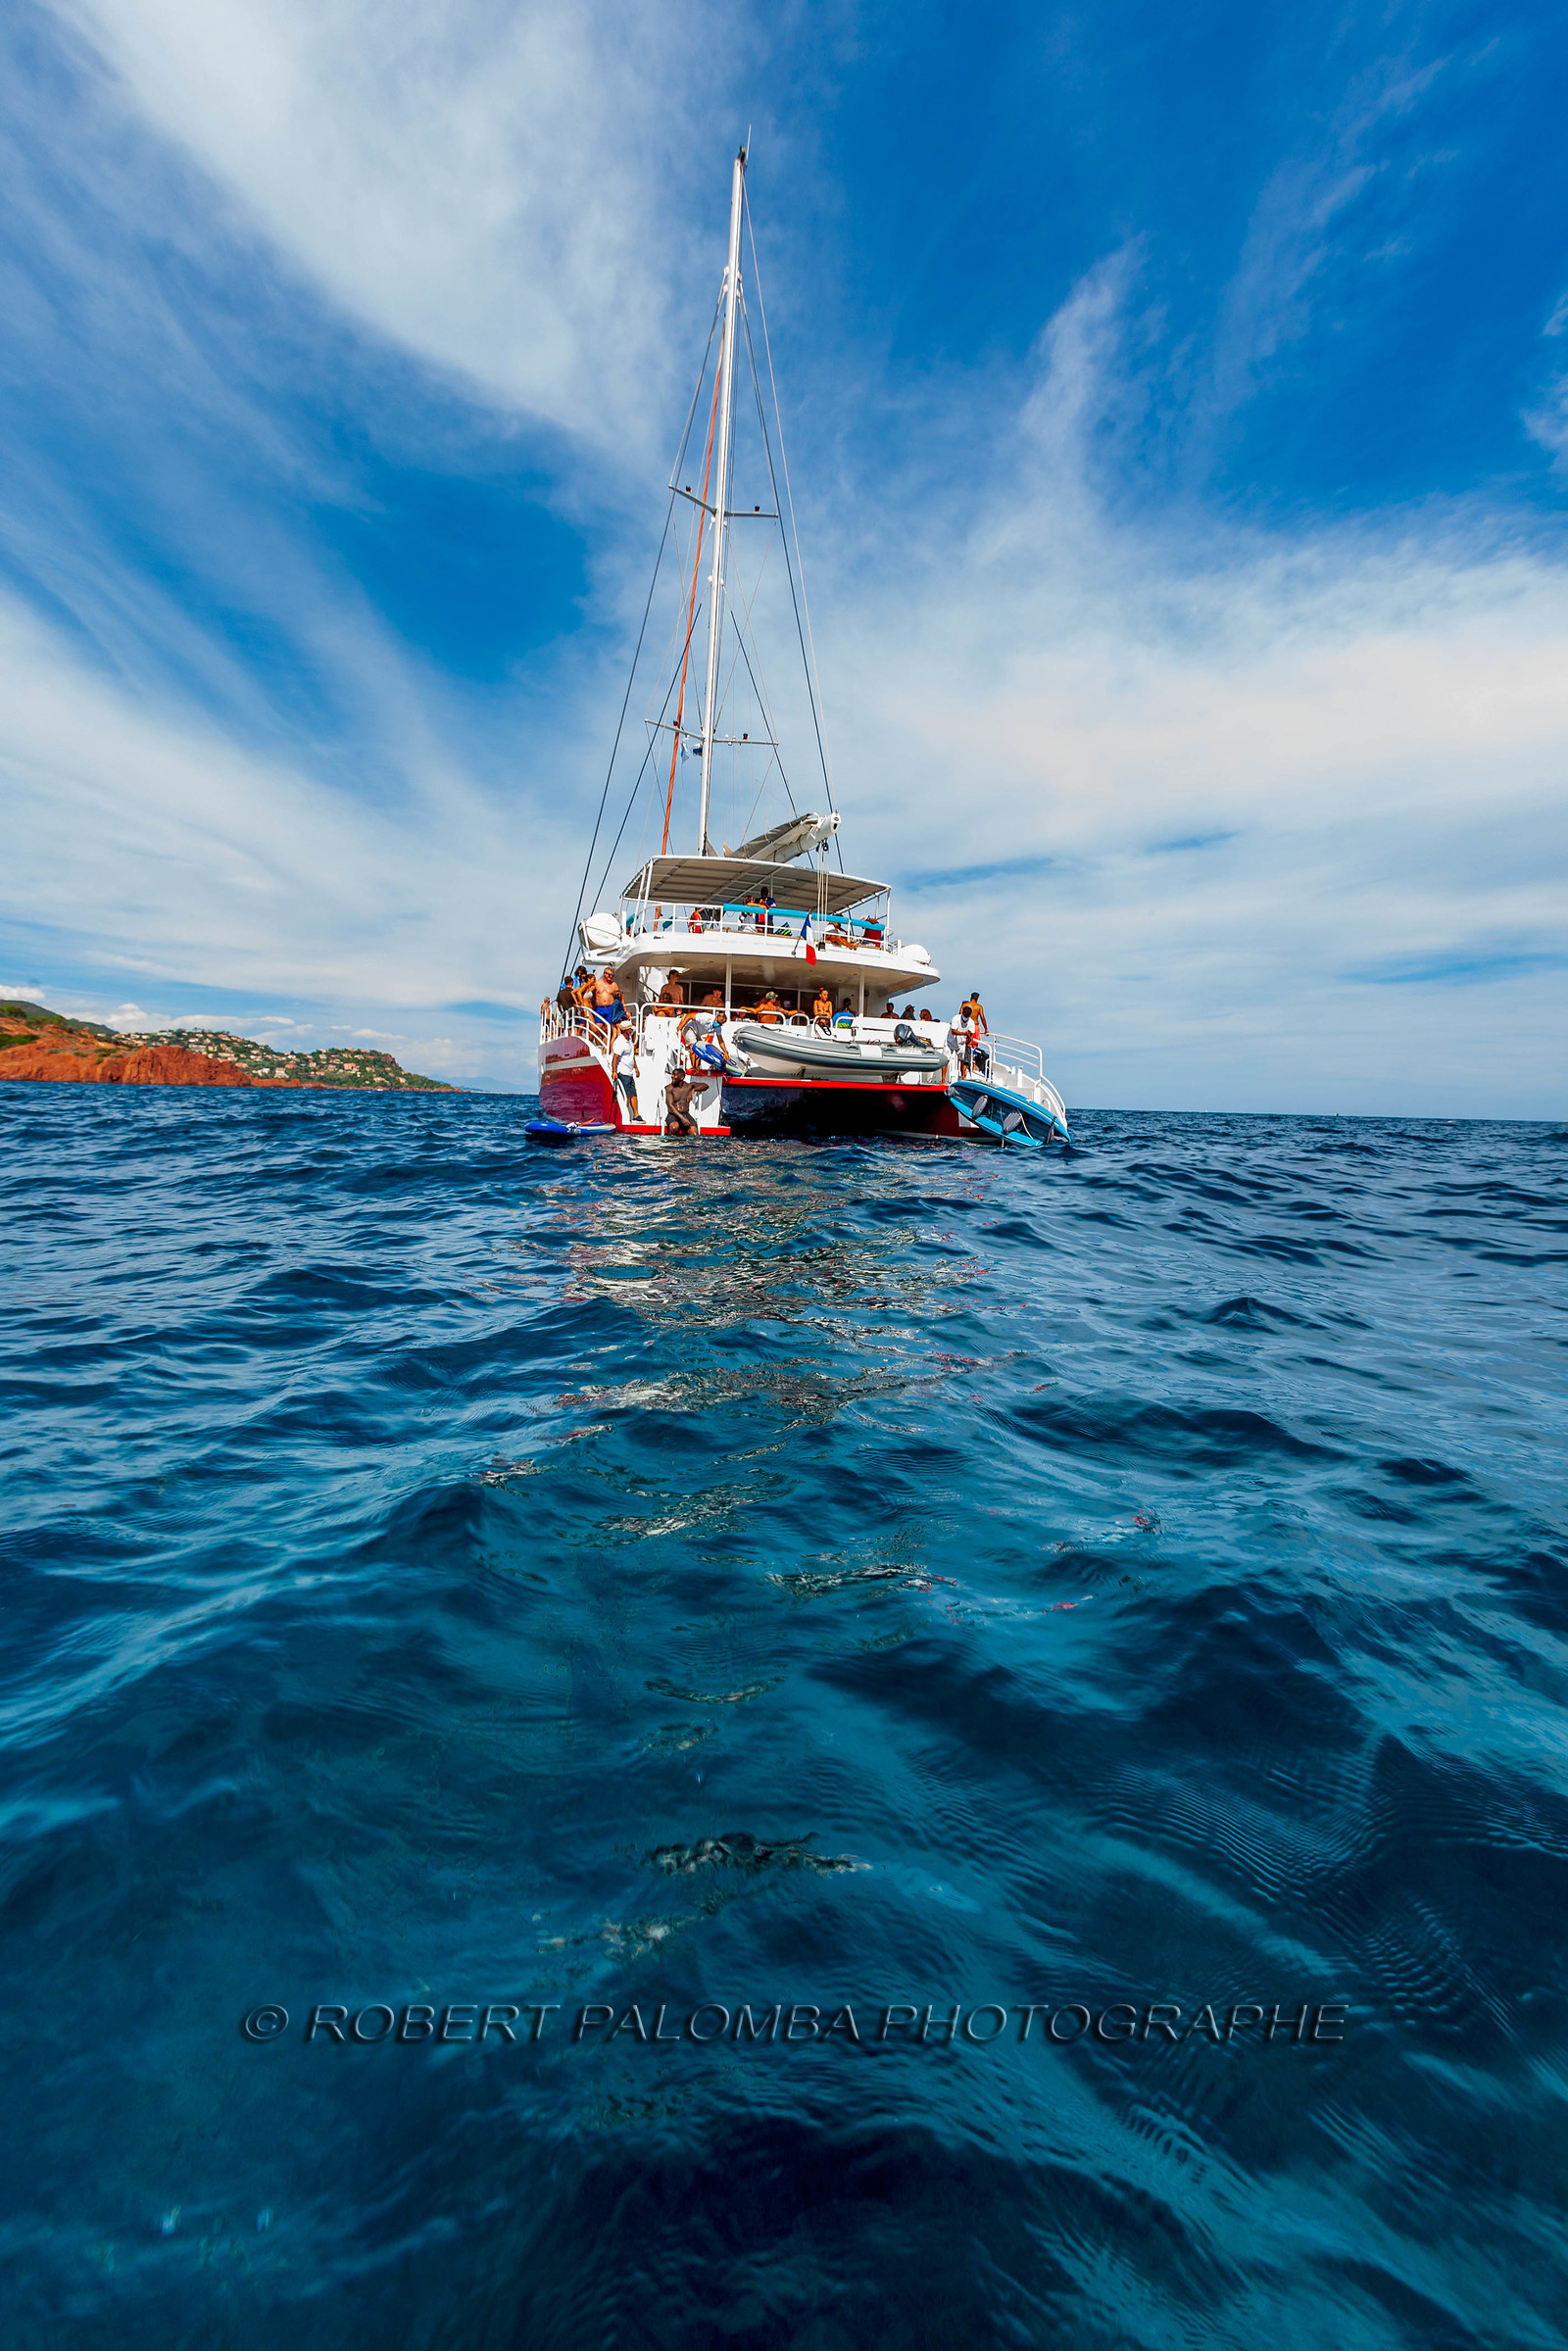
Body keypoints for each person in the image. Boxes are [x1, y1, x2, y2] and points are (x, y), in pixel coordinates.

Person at [664, 1066, 702, 1135]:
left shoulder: (688, 1086)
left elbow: (705, 1086)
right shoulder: (669, 1088)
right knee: (674, 1127)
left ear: (682, 1077)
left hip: (685, 1114)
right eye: (672, 1074)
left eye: (675, 1075)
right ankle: (670, 1143)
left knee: (694, 1133)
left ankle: (687, 1144)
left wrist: (694, 1089)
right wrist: (682, 1118)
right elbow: (670, 1106)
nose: (672, 1076)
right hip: (673, 1114)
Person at [612, 1030, 639, 1121]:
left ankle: (633, 1115)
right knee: (629, 1094)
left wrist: (636, 1068)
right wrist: (614, 1071)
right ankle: (634, 1115)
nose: (632, 1031)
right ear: (626, 1031)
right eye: (630, 1029)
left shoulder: (629, 1039)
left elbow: (632, 1056)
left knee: (631, 1094)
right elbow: (615, 1057)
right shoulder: (620, 1042)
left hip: (629, 1072)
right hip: (623, 1072)